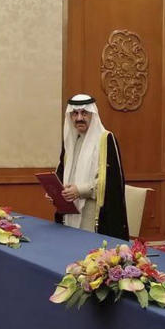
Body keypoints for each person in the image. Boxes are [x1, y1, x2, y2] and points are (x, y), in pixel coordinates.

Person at [54, 94, 128, 241]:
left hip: (93, 216)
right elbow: (62, 173)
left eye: (84, 113)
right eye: (75, 113)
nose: (79, 118)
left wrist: (79, 190)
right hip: (69, 213)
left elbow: (111, 183)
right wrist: (55, 192)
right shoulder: (71, 140)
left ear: (93, 115)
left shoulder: (106, 139)